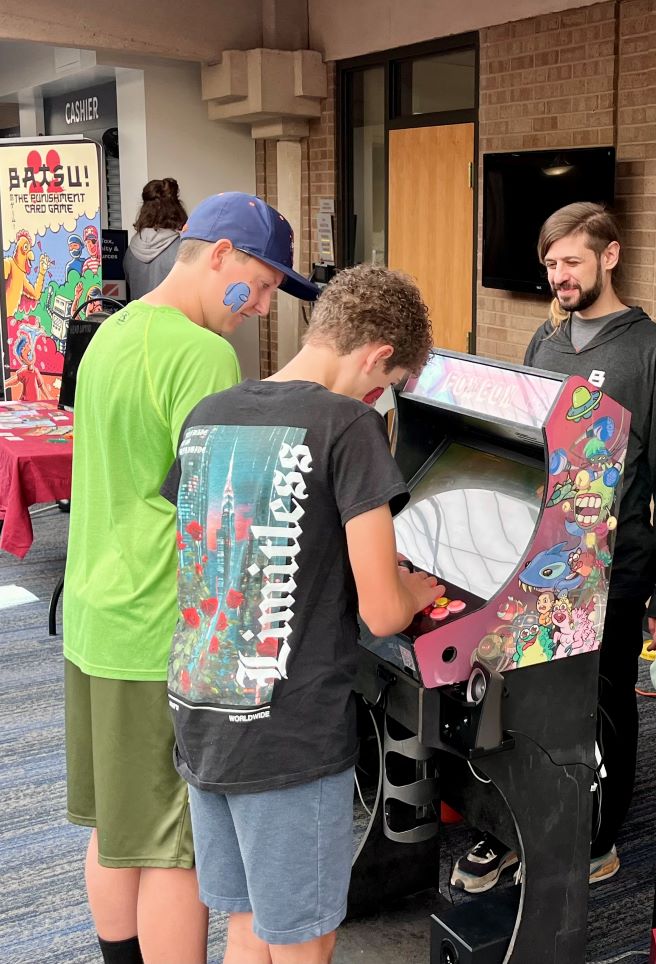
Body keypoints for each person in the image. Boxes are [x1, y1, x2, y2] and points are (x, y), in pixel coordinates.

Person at [162, 263, 443, 964]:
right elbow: (383, 612)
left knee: (246, 922)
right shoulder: (350, 426)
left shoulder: (210, 414)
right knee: (304, 940)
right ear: (377, 356)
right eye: (389, 384)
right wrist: (419, 590)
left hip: (204, 709)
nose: (381, 399)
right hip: (290, 734)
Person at [63, 191, 317, 964]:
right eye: (261, 285)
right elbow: (224, 516)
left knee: (119, 827)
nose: (263, 306)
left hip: (95, 618)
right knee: (178, 848)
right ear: (220, 256)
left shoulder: (113, 331)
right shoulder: (204, 356)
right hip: (161, 630)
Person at [451, 202, 656, 892]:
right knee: (527, 700)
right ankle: (519, 828)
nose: (560, 276)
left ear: (610, 257)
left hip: (620, 565)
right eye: (551, 264)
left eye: (573, 261)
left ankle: (598, 837)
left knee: (606, 703)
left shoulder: (653, 350)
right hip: (543, 560)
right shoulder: (544, 341)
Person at [125, 179, 188, 301]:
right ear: (176, 208)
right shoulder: (182, 248)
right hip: (171, 313)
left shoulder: (130, 251)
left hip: (137, 313)